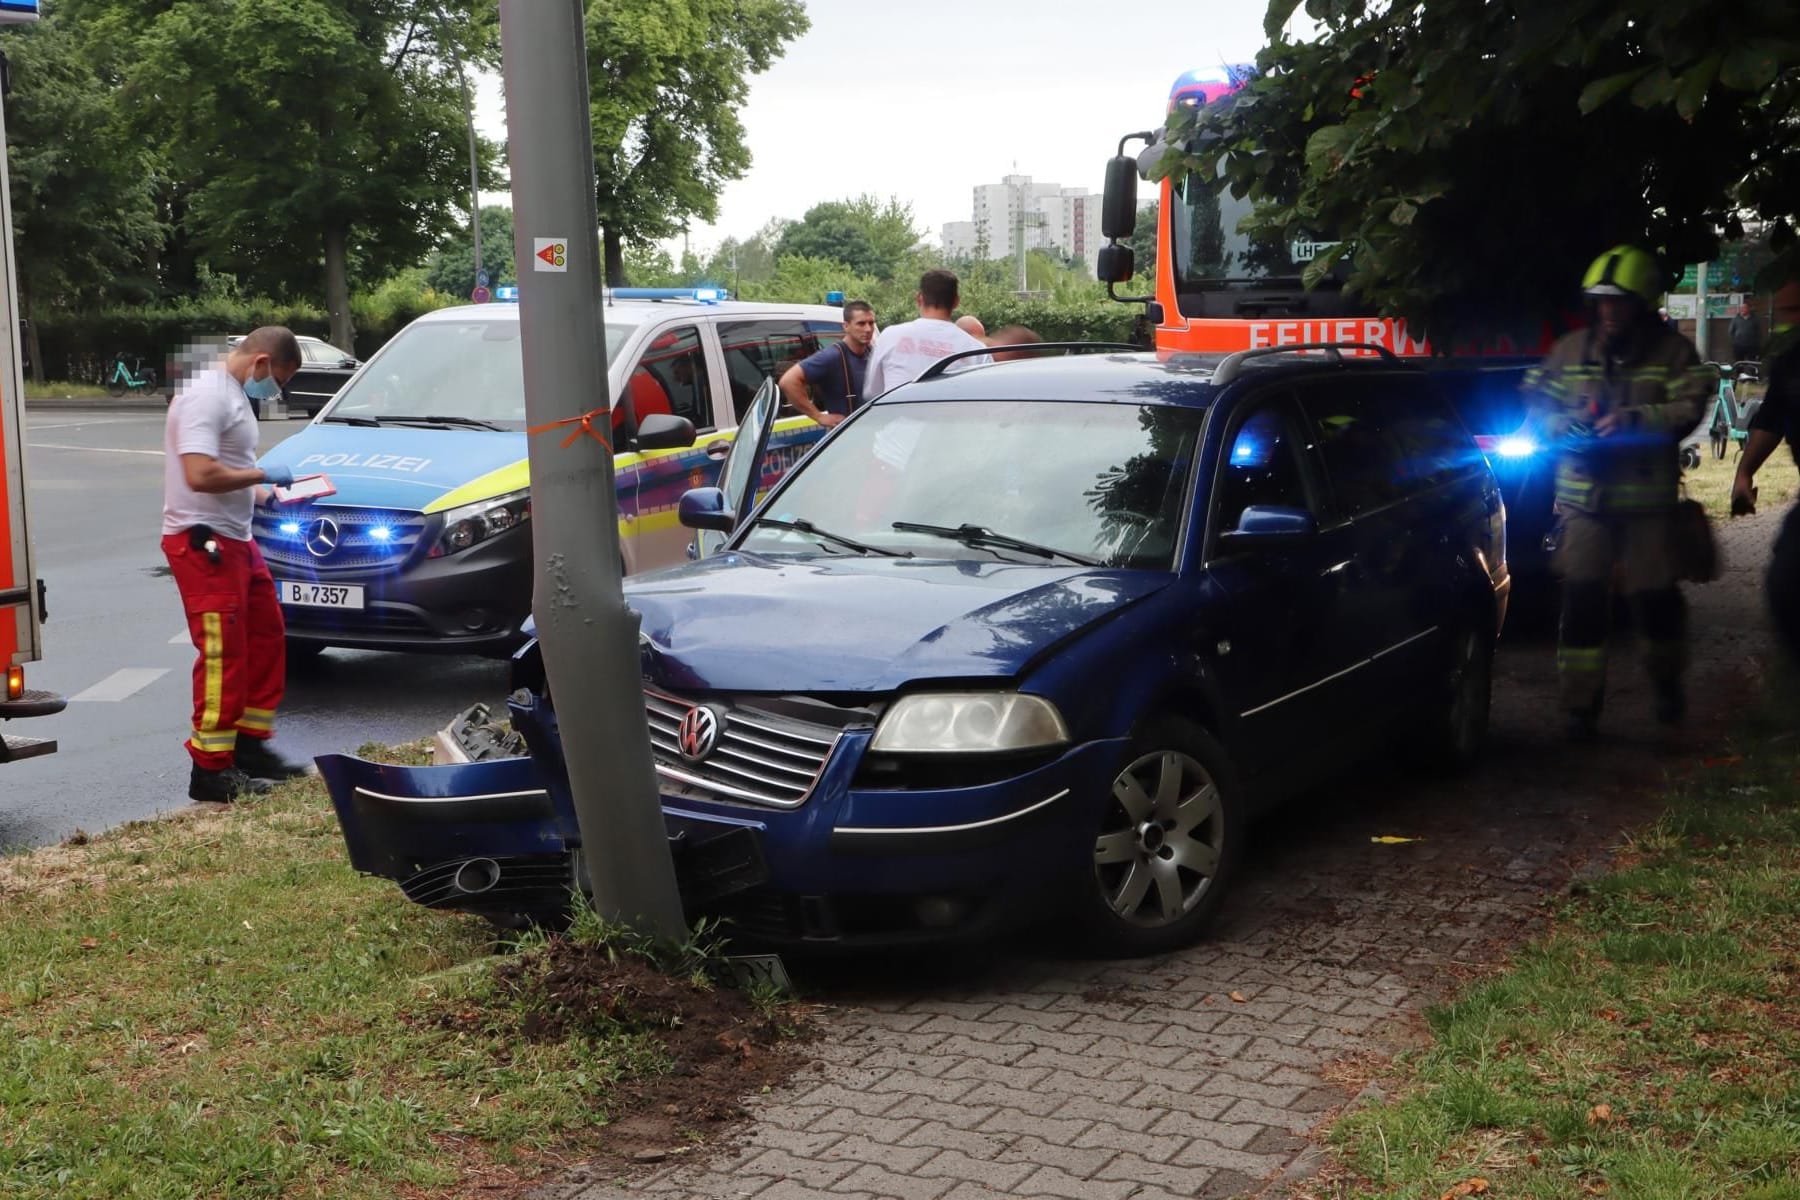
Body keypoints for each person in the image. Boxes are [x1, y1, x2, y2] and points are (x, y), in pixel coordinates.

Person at [1524, 245, 1712, 740]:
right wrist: (1568, 425)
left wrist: (1634, 422)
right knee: (1582, 603)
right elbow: (1535, 409)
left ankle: (1667, 685)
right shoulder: (1568, 351)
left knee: (1654, 602)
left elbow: (1691, 404)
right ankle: (1580, 709)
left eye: (1620, 302)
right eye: (1602, 301)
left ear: (1643, 303)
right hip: (1584, 505)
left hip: (1647, 505)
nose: (1609, 311)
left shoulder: (1673, 353)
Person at [163, 326, 310, 802]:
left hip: (236, 540)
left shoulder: (231, 395)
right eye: (278, 380)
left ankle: (249, 746)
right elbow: (200, 473)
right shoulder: (206, 396)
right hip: (204, 543)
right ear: (261, 362)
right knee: (222, 655)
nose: (276, 391)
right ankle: (210, 770)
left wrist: (262, 492)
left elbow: (228, 464)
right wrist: (263, 472)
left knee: (266, 638)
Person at [1729, 277, 1800, 661]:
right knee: (1786, 582)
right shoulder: (1790, 364)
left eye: (1797, 311)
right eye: (1787, 312)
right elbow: (1771, 420)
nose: (1791, 322)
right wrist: (1744, 475)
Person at [862, 269, 989, 397]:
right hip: (955, 416)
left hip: (898, 415)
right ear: (956, 301)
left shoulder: (890, 336)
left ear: (919, 298)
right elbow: (984, 398)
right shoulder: (977, 350)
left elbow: (872, 394)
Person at [777, 300, 876, 427]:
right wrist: (819, 416)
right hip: (846, 436)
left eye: (871, 323)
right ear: (846, 326)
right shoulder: (832, 356)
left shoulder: (872, 352)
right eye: (861, 324)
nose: (868, 329)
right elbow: (788, 381)